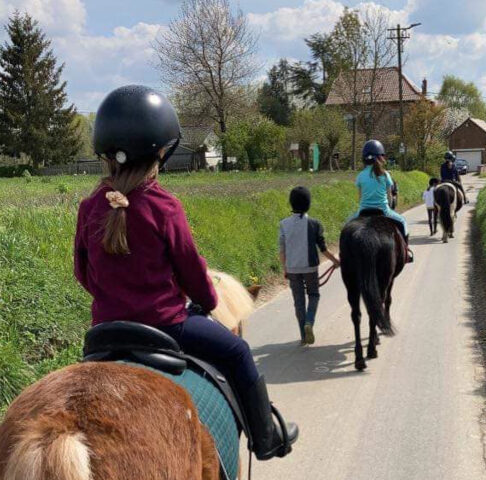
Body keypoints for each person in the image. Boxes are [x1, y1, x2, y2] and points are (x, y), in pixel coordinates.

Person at [73, 85, 298, 461]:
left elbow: (82, 272)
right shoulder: (164, 206)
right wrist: (208, 300)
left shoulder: (89, 207)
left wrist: (114, 299)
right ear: (161, 150)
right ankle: (266, 439)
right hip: (168, 326)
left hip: (104, 332)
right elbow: (192, 270)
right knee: (238, 351)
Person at [279, 187, 340, 346]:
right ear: (308, 204)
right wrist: (335, 261)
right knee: (314, 294)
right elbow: (323, 249)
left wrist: (285, 269)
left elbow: (282, 251)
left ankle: (303, 336)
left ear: (291, 203)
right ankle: (309, 322)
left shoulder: (283, 224)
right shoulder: (315, 224)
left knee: (298, 301)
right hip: (310, 268)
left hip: (292, 268)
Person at [352, 140, 409, 242]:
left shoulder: (360, 176)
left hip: (363, 211)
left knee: (346, 226)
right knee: (403, 222)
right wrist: (390, 207)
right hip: (383, 210)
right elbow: (390, 197)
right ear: (380, 156)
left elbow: (360, 198)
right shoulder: (385, 174)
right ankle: (406, 253)